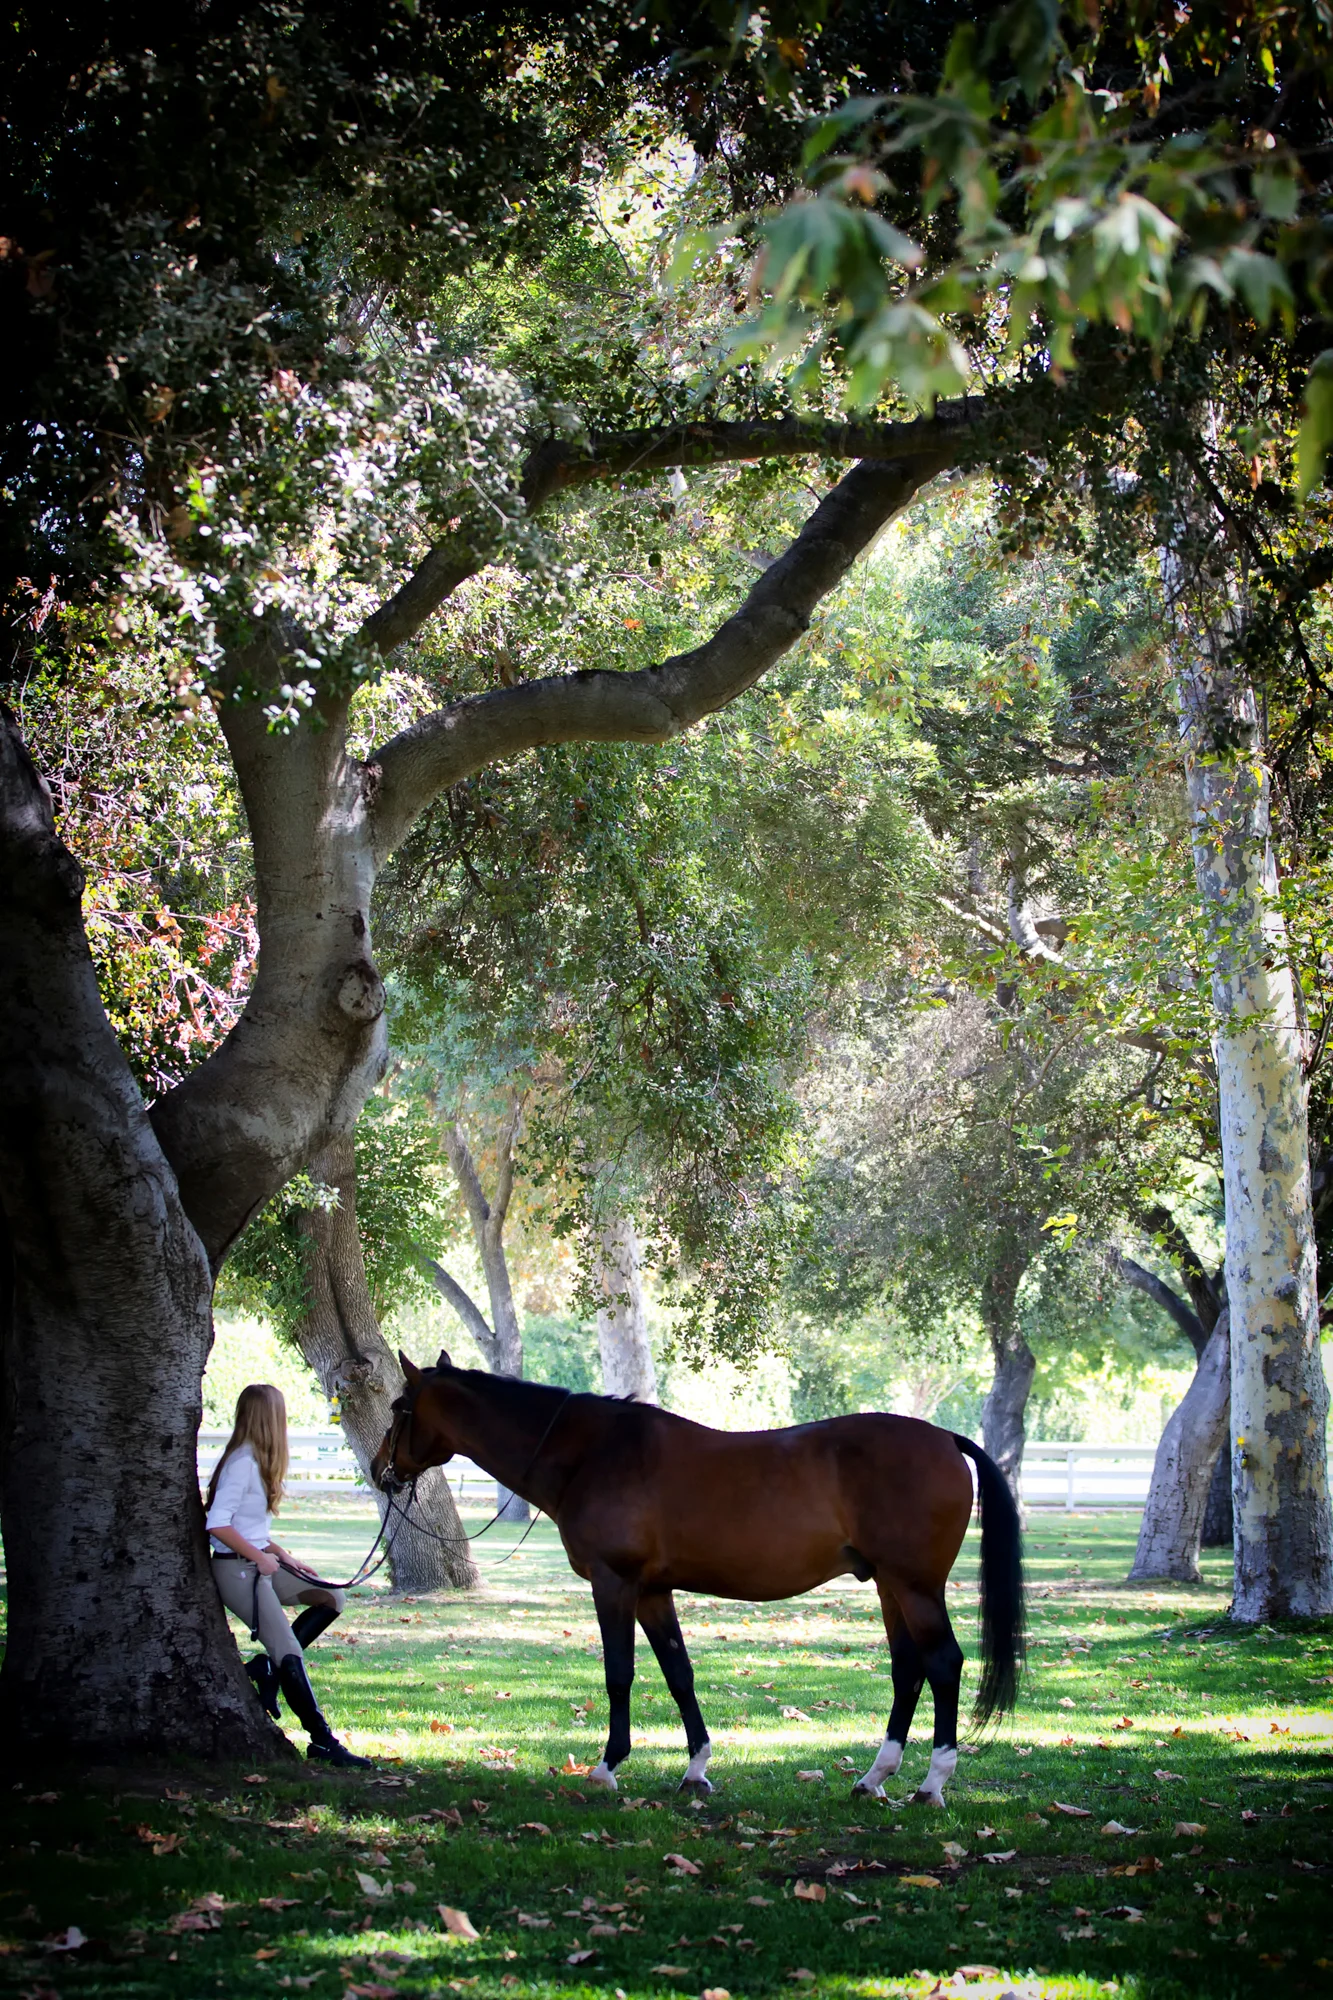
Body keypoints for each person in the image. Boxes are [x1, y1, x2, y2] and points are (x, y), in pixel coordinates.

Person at [205, 1383, 369, 1768]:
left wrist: (281, 1554)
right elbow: (217, 1524)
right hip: (237, 1571)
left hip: (260, 1561)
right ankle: (323, 1741)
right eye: (281, 1413)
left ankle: (270, 1671)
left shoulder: (257, 1461)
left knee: (332, 1598)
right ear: (269, 1418)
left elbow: (250, 1528)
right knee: (290, 1652)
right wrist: (260, 1559)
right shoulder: (243, 1462)